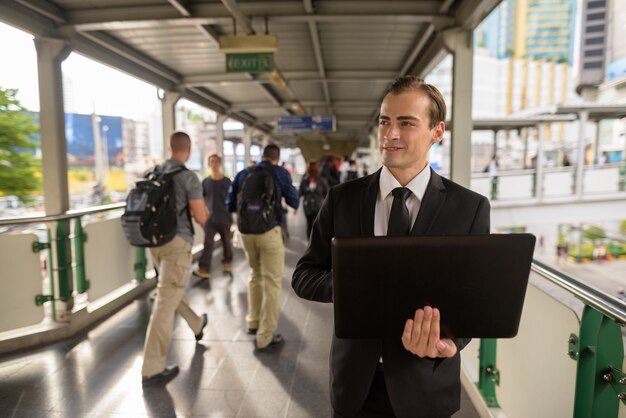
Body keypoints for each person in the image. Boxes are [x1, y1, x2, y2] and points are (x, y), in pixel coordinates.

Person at [292, 76, 490, 417]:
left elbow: (475, 299)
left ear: (437, 132)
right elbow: (304, 274)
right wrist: (346, 286)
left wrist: (449, 344)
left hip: (427, 384)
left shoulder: (469, 208)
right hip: (355, 386)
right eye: (385, 121)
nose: (390, 134)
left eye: (406, 123)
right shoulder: (343, 199)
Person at [142, 131, 210, 385]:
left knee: (170, 290)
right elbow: (201, 217)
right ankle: (151, 368)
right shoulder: (188, 177)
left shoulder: (153, 173)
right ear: (188, 150)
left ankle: (196, 324)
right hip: (177, 244)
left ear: (170, 148)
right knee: (164, 302)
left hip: (154, 244)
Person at [227, 144, 299, 350]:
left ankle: (253, 321)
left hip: (246, 232)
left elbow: (230, 204)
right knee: (272, 282)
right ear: (276, 158)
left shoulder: (243, 173)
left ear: (262, 156)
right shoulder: (280, 173)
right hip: (270, 231)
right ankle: (265, 336)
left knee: (255, 274)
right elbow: (294, 201)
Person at [194, 154, 233, 279]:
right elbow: (202, 199)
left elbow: (232, 200)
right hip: (210, 219)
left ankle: (227, 262)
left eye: (216, 162)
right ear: (209, 164)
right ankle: (204, 268)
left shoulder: (227, 182)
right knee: (208, 244)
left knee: (226, 242)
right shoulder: (205, 182)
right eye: (212, 162)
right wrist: (203, 214)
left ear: (220, 164)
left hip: (225, 217)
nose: (214, 164)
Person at [299, 161, 330, 238]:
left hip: (307, 205)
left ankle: (309, 243)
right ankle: (316, 243)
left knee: (309, 225)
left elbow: (300, 192)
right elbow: (327, 193)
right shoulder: (322, 180)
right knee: (317, 225)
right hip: (318, 204)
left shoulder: (305, 180)